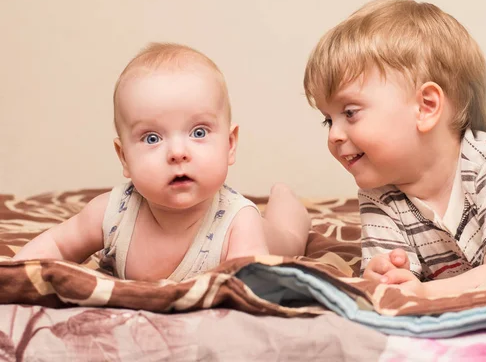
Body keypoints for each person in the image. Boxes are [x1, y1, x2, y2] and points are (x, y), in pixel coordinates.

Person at [303, 0, 486, 297]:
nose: (334, 135)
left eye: (350, 113)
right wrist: (386, 274)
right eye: (328, 120)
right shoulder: (378, 195)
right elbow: (397, 279)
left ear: (426, 107)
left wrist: (425, 293)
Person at [13, 42, 311, 282]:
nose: (177, 153)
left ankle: (283, 197)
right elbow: (55, 245)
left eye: (198, 132)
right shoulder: (112, 213)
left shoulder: (239, 222)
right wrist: (14, 275)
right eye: (152, 138)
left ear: (229, 145)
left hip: (269, 238)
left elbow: (249, 286)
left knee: (289, 237)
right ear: (124, 158)